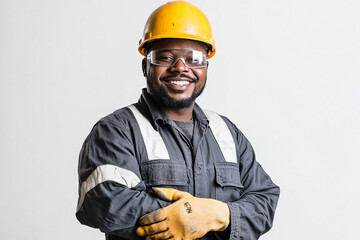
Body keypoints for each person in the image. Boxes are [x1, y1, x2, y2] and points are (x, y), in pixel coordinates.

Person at [76, 1, 280, 239]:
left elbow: (265, 200)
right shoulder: (116, 131)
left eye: (194, 58)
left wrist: (220, 214)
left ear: (205, 67)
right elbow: (103, 201)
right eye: (165, 57)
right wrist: (187, 218)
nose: (180, 68)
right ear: (145, 65)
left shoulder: (227, 133)